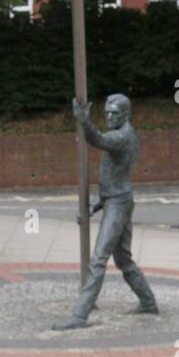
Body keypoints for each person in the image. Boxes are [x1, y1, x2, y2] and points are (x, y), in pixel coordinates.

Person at [53, 93, 158, 331]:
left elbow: (98, 140)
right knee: (123, 259)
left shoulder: (122, 136)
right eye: (107, 112)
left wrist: (85, 123)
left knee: (99, 259)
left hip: (119, 204)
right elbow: (114, 178)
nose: (109, 116)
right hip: (117, 199)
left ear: (126, 115)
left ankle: (80, 315)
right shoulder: (121, 134)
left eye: (114, 113)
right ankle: (148, 302)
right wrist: (96, 205)